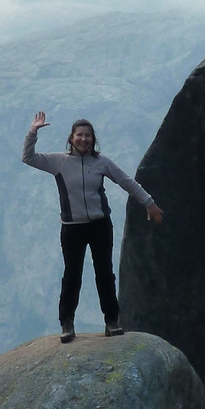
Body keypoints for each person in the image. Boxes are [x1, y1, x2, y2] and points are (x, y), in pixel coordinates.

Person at [23, 111, 164, 343]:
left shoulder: (102, 162)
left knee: (105, 274)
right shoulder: (59, 161)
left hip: (100, 225)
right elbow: (28, 157)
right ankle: (67, 323)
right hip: (72, 227)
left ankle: (112, 322)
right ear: (71, 138)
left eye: (88, 135)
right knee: (72, 275)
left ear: (93, 139)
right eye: (79, 135)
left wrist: (149, 203)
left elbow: (126, 181)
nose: (84, 139)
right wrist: (33, 131)